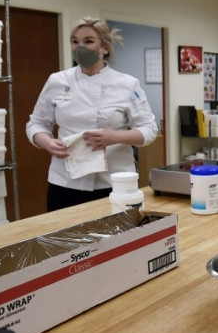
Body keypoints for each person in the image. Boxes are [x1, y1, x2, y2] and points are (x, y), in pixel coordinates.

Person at [26, 17, 158, 211]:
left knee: (118, 239)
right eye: (75, 42)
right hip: (65, 182)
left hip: (114, 184)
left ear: (104, 47)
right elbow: (36, 123)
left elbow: (149, 130)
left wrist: (113, 137)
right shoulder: (57, 81)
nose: (80, 47)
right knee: (65, 239)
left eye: (88, 41)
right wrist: (47, 143)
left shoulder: (127, 84)